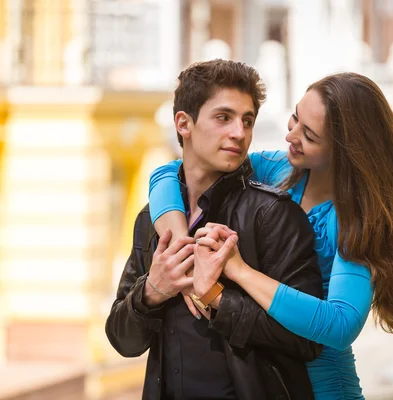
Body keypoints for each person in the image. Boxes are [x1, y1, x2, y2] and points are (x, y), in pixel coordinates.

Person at [148, 72, 393, 400]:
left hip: (323, 391)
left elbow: (340, 325)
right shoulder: (275, 171)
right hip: (270, 384)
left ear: (345, 150)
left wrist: (239, 272)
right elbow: (169, 173)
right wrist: (183, 253)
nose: (291, 135)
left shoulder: (357, 221)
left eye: (308, 134)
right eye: (295, 117)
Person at [106, 59, 324, 400]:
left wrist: (218, 299)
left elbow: (308, 340)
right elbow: (123, 340)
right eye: (224, 117)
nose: (239, 132)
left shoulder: (273, 215)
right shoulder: (151, 220)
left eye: (247, 120)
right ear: (184, 124)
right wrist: (152, 291)